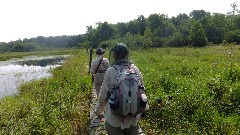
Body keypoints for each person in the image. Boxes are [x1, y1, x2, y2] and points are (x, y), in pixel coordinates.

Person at [95, 43, 148, 135]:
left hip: (114, 119)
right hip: (132, 118)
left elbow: (103, 96)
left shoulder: (111, 71)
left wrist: (99, 111)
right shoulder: (135, 69)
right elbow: (142, 91)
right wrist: (144, 109)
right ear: (127, 54)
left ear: (114, 55)